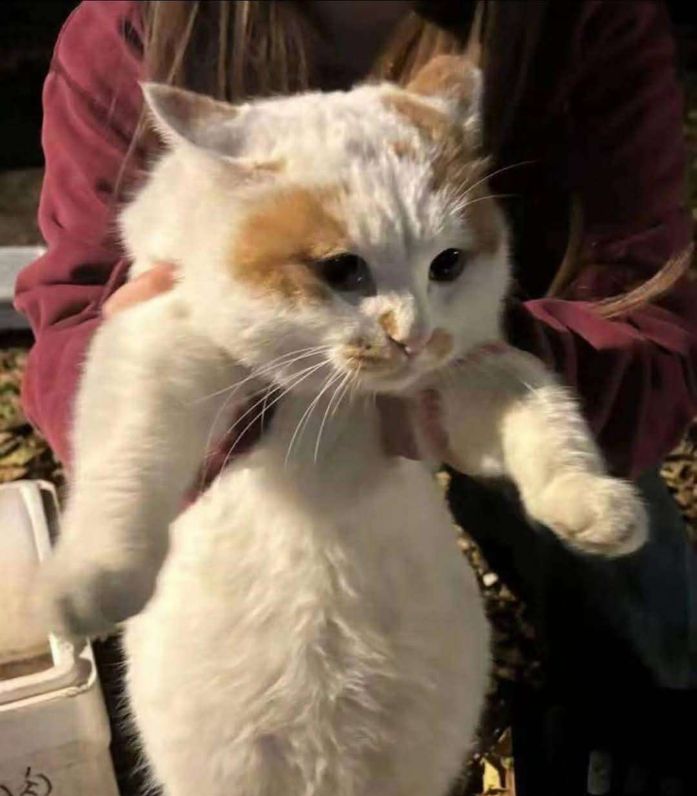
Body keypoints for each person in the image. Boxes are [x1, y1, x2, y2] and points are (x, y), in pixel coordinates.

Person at [14, 1, 697, 692]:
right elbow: (75, 320)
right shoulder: (135, 27)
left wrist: (473, 371)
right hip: (249, 408)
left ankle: (654, 707)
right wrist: (180, 393)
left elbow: (644, 330)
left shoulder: (585, 20)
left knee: (590, 504)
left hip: (486, 348)